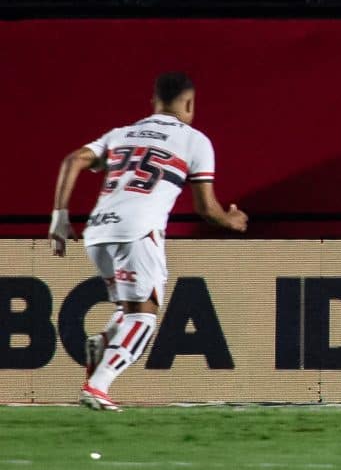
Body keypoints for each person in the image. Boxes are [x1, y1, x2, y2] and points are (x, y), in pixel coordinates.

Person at [48, 71, 248, 411]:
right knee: (143, 318)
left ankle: (104, 342)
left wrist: (60, 216)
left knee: (128, 309)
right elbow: (207, 209)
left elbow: (73, 160)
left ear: (154, 101)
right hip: (138, 231)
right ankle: (98, 386)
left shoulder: (121, 133)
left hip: (98, 231)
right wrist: (233, 220)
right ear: (189, 103)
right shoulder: (195, 140)